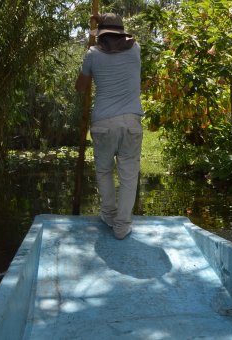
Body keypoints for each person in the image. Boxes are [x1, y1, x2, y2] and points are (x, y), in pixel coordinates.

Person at [75, 13, 143, 240]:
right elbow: (115, 44)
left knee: (104, 171)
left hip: (103, 122)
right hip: (131, 121)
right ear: (122, 32)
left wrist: (92, 40)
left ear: (101, 35)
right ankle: (122, 226)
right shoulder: (136, 50)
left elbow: (81, 87)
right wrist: (100, 24)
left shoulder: (92, 54)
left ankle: (108, 214)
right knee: (128, 175)